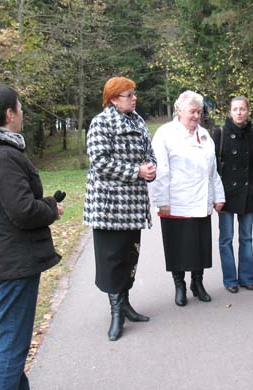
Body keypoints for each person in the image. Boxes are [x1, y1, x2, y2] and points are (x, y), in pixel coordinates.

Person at [0, 81, 63, 389]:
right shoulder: (2, 156)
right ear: (9, 114)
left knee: (13, 345)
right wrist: (50, 208)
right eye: (20, 108)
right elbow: (23, 212)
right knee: (12, 350)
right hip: (13, 264)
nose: (22, 114)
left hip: (6, 260)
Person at [84, 76, 156, 341]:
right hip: (109, 205)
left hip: (133, 203)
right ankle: (116, 312)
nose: (134, 98)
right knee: (112, 260)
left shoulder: (137, 121)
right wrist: (136, 170)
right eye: (128, 95)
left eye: (134, 93)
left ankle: (125, 304)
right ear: (113, 99)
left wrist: (150, 167)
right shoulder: (100, 123)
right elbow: (100, 161)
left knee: (129, 258)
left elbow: (149, 152)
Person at [150, 90, 225, 307]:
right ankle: (179, 285)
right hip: (176, 202)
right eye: (192, 111)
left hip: (201, 200)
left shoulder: (204, 135)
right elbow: (160, 171)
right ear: (179, 110)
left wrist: (218, 196)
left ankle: (197, 283)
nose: (196, 116)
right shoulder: (165, 134)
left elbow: (213, 170)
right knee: (178, 246)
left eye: (199, 112)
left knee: (200, 245)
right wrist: (161, 201)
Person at [212, 96, 253, 293]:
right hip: (226, 193)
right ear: (229, 112)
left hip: (248, 192)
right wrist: (216, 194)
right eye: (235, 109)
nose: (239, 112)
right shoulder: (220, 133)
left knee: (246, 237)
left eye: (242, 109)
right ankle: (230, 280)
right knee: (226, 238)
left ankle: (247, 278)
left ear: (248, 111)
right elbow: (213, 165)